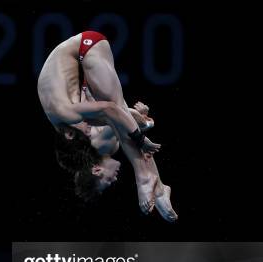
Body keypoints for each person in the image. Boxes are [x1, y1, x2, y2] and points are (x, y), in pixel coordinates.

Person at [37, 31, 177, 222]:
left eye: (107, 181)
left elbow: (113, 111)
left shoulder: (66, 114)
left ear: (96, 170)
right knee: (115, 118)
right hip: (77, 66)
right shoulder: (69, 128)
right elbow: (114, 117)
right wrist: (140, 123)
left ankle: (146, 179)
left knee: (114, 110)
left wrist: (140, 137)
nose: (115, 180)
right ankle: (155, 184)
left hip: (86, 47)